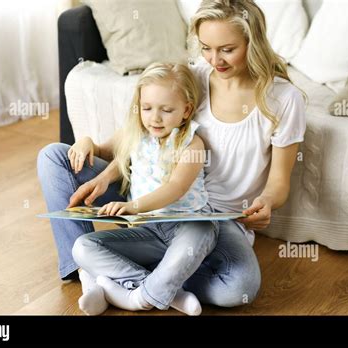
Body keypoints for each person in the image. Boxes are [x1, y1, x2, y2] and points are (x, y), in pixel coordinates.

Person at [37, 0, 305, 313]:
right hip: (151, 193)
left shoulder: (284, 99)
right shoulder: (195, 77)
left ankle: (123, 277)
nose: (214, 59)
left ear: (253, 41)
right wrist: (92, 146)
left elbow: (279, 183)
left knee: (239, 287)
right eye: (206, 47)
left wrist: (267, 202)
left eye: (227, 49)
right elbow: (140, 131)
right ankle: (88, 275)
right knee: (54, 157)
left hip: (211, 218)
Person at [68, 62, 219, 316]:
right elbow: (112, 154)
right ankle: (169, 293)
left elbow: (176, 187)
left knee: (194, 240)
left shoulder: (193, 143)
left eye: (166, 110)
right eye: (147, 108)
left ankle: (134, 297)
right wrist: (85, 141)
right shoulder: (136, 134)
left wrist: (131, 207)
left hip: (189, 224)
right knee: (82, 248)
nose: (154, 118)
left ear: (186, 110)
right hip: (148, 230)